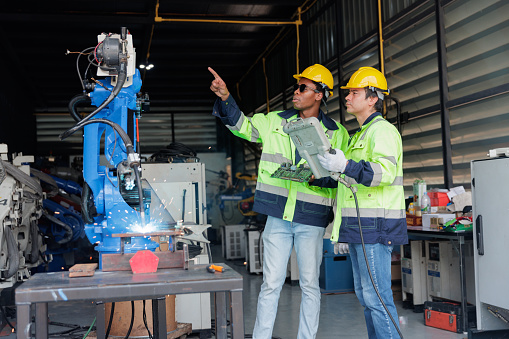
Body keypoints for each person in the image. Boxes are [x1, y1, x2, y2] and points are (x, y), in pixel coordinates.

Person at [209, 64, 348, 339]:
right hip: (278, 215)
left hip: (311, 218)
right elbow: (242, 127)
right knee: (270, 284)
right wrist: (226, 98)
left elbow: (341, 178)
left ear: (319, 94)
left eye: (303, 88)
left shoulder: (337, 133)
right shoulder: (274, 120)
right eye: (296, 87)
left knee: (309, 285)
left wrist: (317, 179)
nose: (295, 92)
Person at [318, 66, 408, 338]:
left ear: (372, 98)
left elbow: (382, 173)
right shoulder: (360, 134)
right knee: (367, 297)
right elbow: (352, 181)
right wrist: (323, 175)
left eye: (354, 93)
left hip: (375, 226)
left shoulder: (382, 131)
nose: (347, 97)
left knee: (376, 298)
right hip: (359, 226)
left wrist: (345, 163)